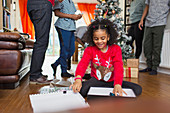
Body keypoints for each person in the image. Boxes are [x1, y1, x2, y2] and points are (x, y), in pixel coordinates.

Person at [69, 19, 142, 97]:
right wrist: (78, 79)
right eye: (96, 39)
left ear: (108, 37)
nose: (99, 41)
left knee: (137, 89)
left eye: (102, 38)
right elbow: (82, 64)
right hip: (96, 81)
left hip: (113, 81)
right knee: (81, 91)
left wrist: (117, 84)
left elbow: (118, 67)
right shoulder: (89, 50)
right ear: (92, 38)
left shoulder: (116, 49)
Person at [51, 0, 82, 78]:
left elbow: (72, 14)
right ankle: (63, 71)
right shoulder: (60, 0)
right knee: (64, 50)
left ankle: (55, 64)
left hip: (71, 27)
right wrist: (72, 16)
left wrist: (77, 16)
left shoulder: (71, 2)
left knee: (71, 50)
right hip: (62, 26)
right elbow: (56, 13)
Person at [27, 0, 56, 84]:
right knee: (41, 41)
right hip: (43, 4)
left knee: (40, 40)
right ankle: (35, 76)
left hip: (32, 4)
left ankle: (36, 73)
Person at [139, 0, 170, 75]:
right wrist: (142, 19)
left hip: (160, 22)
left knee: (157, 46)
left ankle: (154, 67)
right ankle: (149, 66)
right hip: (148, 22)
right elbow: (147, 6)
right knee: (146, 45)